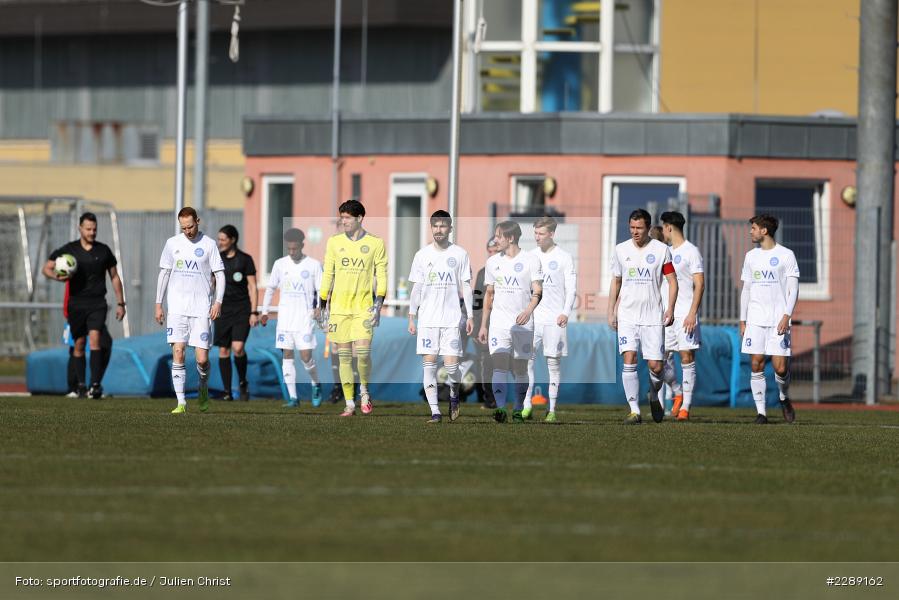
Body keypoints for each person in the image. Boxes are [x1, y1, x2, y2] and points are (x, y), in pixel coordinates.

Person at [44, 212, 126, 399]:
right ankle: (81, 386)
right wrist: (59, 277)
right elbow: (46, 268)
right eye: (88, 229)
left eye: (94, 229)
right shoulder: (69, 250)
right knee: (79, 344)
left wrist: (121, 303)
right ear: (80, 228)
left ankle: (95, 385)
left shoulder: (103, 251)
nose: (91, 232)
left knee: (96, 340)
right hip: (76, 304)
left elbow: (114, 276)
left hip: (97, 303)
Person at [608, 209, 678, 425]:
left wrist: (671, 308)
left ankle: (654, 394)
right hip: (627, 315)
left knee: (656, 366)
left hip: (652, 316)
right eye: (632, 227)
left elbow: (672, 281)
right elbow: (616, 281)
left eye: (639, 228)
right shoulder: (621, 250)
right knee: (629, 359)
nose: (635, 232)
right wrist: (611, 311)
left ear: (648, 228)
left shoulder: (661, 250)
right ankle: (634, 411)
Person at [319, 199, 388, 417]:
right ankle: (349, 403)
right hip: (339, 308)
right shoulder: (334, 242)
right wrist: (322, 304)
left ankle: (364, 390)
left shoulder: (376, 243)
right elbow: (328, 273)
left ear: (359, 218)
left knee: (364, 353)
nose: (344, 221)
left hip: (364, 308)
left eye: (348, 217)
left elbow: (382, 275)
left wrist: (379, 304)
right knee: (344, 356)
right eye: (342, 217)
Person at [155, 207, 225, 414]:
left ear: (198, 221)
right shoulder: (172, 244)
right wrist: (158, 303)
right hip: (177, 308)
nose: (188, 231)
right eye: (184, 228)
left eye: (191, 226)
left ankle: (203, 387)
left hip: (202, 308)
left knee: (202, 359)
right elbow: (164, 273)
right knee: (178, 351)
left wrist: (218, 302)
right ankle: (181, 403)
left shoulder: (209, 244)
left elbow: (220, 275)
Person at [407, 210, 474, 423]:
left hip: (452, 319)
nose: (438, 229)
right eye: (435, 225)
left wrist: (470, 316)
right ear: (431, 228)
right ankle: (435, 411)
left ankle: (454, 394)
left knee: (452, 367)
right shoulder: (422, 255)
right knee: (429, 364)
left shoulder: (460, 254)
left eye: (443, 226)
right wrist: (411, 315)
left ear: (450, 228)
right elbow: (416, 288)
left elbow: (466, 286)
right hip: (427, 320)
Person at [478, 220, 543, 423]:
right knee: (499, 365)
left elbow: (538, 291)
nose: (496, 240)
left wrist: (528, 311)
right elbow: (489, 295)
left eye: (499, 236)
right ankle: (500, 408)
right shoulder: (492, 263)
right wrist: (483, 325)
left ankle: (517, 408)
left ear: (511, 238)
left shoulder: (531, 260)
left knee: (520, 368)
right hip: (498, 324)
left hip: (523, 324)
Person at [739, 214, 799, 424]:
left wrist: (786, 315)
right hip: (755, 320)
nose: (750, 231)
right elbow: (746, 289)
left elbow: (793, 289)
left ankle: (783, 397)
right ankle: (761, 413)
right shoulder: (750, 256)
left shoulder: (786, 255)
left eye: (753, 228)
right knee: (756, 363)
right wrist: (742, 319)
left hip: (778, 320)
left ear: (764, 230)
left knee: (780, 368)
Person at [522, 215, 576, 423]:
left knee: (553, 365)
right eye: (535, 233)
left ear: (552, 234)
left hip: (555, 319)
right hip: (533, 318)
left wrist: (565, 312)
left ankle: (551, 409)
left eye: (541, 233)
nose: (537, 237)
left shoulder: (564, 257)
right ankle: (527, 406)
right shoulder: (530, 256)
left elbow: (571, 289)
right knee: (526, 362)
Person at [261, 228, 324, 408]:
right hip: (285, 319)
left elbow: (321, 290)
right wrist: (265, 311)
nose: (291, 252)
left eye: (294, 249)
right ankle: (293, 398)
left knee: (305, 357)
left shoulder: (313, 265)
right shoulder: (280, 264)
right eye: (289, 249)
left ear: (302, 246)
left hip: (305, 318)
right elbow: (271, 288)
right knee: (287, 355)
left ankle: (315, 384)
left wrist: (319, 307)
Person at [659, 211, 704, 421]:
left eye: (663, 227)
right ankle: (677, 391)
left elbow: (699, 284)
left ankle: (685, 406)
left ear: (669, 227)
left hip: (685, 314)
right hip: (667, 315)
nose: (663, 232)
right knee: (660, 361)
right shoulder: (664, 252)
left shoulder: (691, 251)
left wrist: (692, 313)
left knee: (687, 358)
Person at [214, 225, 258, 401]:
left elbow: (253, 287)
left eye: (223, 239)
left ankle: (242, 382)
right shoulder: (217, 259)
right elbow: (211, 282)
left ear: (233, 240)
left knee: (238, 348)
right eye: (219, 239)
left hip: (242, 309)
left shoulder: (245, 259)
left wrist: (254, 312)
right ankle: (227, 392)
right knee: (223, 350)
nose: (220, 243)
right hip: (223, 310)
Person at [472, 238, 500, 409]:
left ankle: (523, 401)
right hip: (486, 326)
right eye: (489, 251)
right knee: (487, 363)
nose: (492, 254)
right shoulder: (482, 273)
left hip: (505, 324)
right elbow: (476, 301)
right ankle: (489, 399)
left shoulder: (509, 270)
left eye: (495, 251)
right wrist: (476, 328)